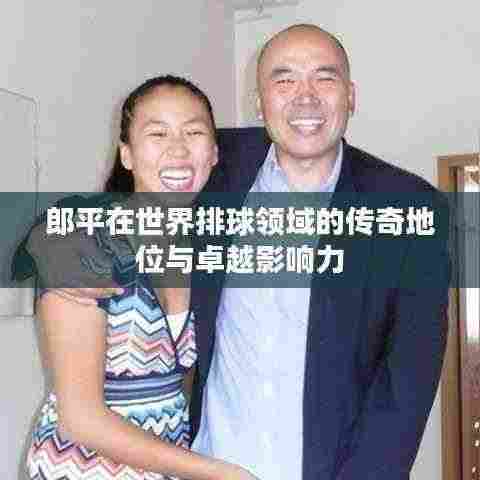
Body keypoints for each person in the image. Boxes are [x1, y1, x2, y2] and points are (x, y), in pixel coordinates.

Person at [15, 25, 450, 480]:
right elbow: (129, 190)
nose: (305, 97)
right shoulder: (217, 170)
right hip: (202, 464)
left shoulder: (408, 206)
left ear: (351, 95)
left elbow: (408, 382)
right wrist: (46, 241)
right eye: (284, 79)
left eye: (325, 77)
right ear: (259, 102)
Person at [24, 75, 257, 480]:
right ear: (127, 155)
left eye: (194, 132)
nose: (178, 148)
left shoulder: (204, 248)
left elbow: (182, 386)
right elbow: (80, 419)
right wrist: (222, 473)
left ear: (215, 153)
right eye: (157, 133)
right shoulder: (85, 245)